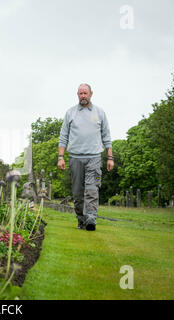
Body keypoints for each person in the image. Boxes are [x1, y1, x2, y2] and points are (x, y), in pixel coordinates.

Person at [57, 84, 114, 231]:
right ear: (77, 95)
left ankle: (91, 220)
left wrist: (110, 157)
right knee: (77, 193)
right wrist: (61, 157)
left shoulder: (99, 113)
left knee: (92, 189)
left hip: (94, 157)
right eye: (80, 93)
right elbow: (63, 137)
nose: (83, 96)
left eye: (85, 93)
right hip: (75, 158)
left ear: (91, 94)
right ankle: (81, 220)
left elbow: (106, 136)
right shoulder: (70, 113)